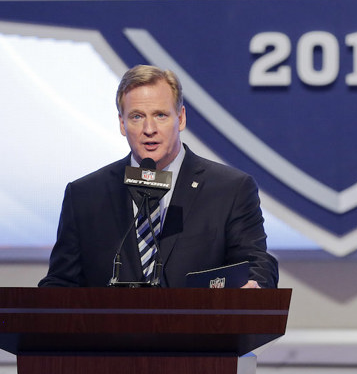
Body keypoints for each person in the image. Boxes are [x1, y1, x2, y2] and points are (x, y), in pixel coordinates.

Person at [39, 64, 278, 288]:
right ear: (122, 124)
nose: (149, 129)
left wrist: (255, 285)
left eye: (160, 115)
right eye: (137, 117)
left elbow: (254, 264)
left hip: (197, 331)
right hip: (112, 333)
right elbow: (60, 284)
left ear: (181, 118)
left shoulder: (230, 189)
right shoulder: (85, 195)